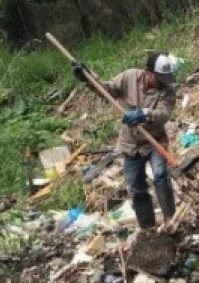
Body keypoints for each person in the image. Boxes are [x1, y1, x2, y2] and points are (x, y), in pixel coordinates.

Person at [74, 53, 177, 229]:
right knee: (137, 189)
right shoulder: (129, 77)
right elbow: (106, 89)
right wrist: (88, 78)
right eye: (158, 77)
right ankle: (148, 229)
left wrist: (144, 114)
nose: (162, 82)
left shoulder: (167, 90)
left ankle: (172, 222)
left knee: (160, 176)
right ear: (147, 72)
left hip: (154, 142)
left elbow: (163, 114)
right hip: (130, 144)